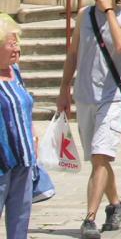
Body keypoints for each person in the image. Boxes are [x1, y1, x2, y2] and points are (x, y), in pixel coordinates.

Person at [56, 0, 121, 239]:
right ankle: (116, 204)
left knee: (101, 155)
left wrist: (109, 11)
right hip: (84, 95)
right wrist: (64, 88)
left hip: (112, 96)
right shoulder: (84, 16)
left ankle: (89, 218)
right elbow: (73, 53)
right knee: (97, 159)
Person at [0, 14, 35, 239]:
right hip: (2, 162)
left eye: (17, 42)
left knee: (20, 220)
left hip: (23, 159)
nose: (17, 48)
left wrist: (34, 137)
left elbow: (25, 108)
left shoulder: (16, 72)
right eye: (11, 43)